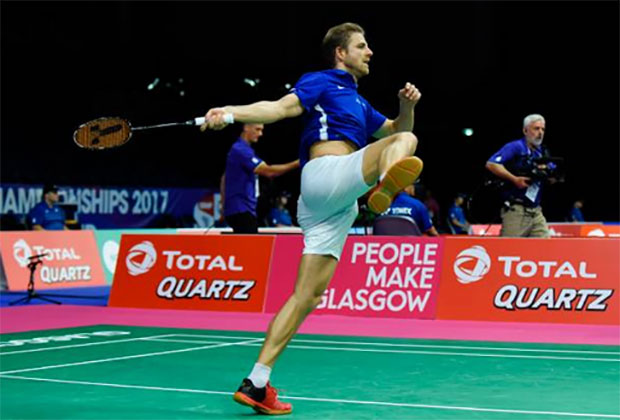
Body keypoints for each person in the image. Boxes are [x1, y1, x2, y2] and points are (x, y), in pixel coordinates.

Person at [201, 22, 423, 415]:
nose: (369, 52)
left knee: (307, 296)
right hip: (327, 175)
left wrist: (406, 108)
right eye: (362, 45)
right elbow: (280, 108)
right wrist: (231, 113)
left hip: (333, 205)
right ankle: (383, 190)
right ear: (341, 53)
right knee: (406, 145)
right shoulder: (322, 81)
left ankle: (257, 382)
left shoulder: (358, 101)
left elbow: (392, 128)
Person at [221, 123, 300, 233]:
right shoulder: (241, 150)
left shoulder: (240, 150)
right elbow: (269, 172)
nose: (260, 134)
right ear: (246, 127)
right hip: (241, 210)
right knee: (250, 248)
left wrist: (223, 203)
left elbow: (224, 177)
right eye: (257, 129)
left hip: (240, 209)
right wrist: (298, 162)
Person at [485, 114, 552, 237]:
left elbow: (552, 170)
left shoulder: (541, 152)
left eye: (543, 129)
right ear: (525, 130)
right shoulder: (515, 146)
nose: (540, 133)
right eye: (536, 129)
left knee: (545, 248)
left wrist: (550, 174)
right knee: (509, 250)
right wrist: (514, 179)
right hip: (516, 209)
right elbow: (491, 164)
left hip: (536, 211)